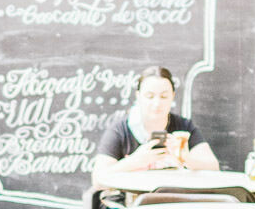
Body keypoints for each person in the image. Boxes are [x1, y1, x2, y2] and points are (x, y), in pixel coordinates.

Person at [91, 66, 221, 178]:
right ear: (138, 96)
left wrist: (184, 157)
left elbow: (214, 168)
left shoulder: (184, 128)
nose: (157, 103)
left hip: (171, 196)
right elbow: (98, 179)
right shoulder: (120, 130)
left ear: (172, 96)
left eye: (164, 96)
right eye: (150, 96)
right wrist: (135, 161)